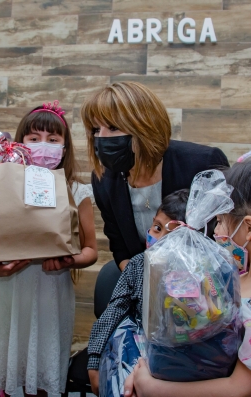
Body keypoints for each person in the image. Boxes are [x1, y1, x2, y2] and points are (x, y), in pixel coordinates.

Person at [124, 159, 251, 397]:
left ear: (249, 228)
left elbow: (244, 390)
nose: (215, 232)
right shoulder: (238, 275)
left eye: (221, 221)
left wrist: (154, 387)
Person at [0, 101, 98, 396]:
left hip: (51, 291)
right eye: (34, 139)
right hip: (9, 290)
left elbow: (90, 251)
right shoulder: (4, 185)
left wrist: (68, 261)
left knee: (43, 372)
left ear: (65, 146)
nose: (43, 145)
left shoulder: (77, 191)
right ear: (19, 143)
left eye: (53, 139)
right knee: (2, 367)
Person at [81, 81, 229, 271]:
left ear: (145, 127)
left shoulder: (203, 163)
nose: (101, 137)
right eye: (95, 130)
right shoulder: (103, 180)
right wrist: (143, 282)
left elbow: (226, 238)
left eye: (113, 127)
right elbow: (121, 249)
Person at [87, 189, 190, 394]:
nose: (158, 238)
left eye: (171, 235)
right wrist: (94, 359)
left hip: (183, 366)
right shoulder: (137, 266)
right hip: (136, 354)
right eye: (157, 228)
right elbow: (113, 312)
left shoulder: (198, 278)